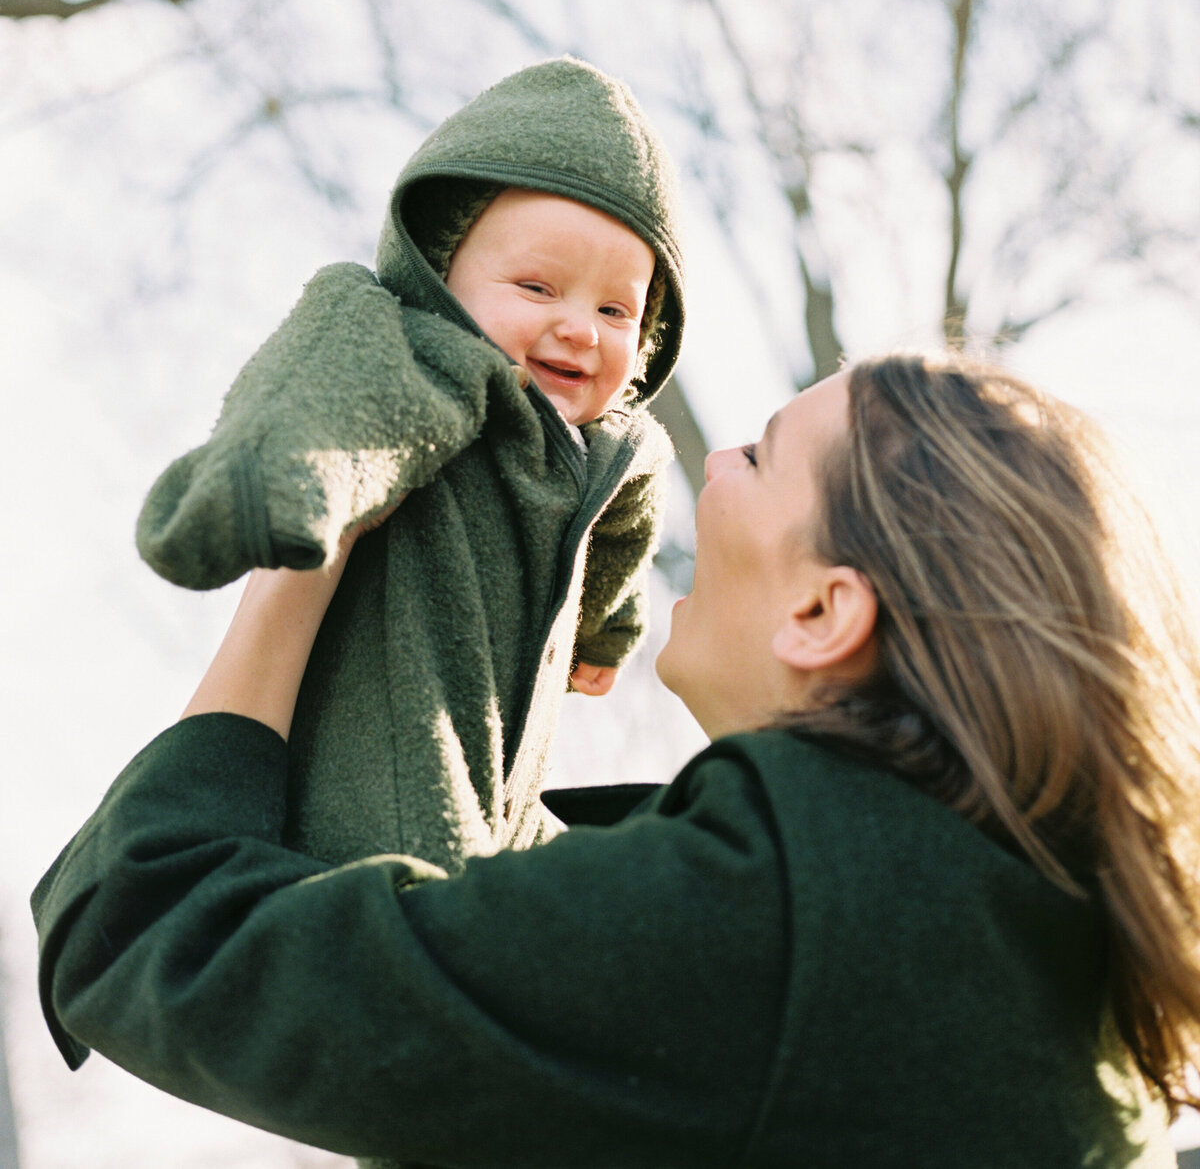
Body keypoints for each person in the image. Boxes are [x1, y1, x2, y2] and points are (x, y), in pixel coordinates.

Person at [33, 354, 1200, 1168]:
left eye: (758, 452)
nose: (712, 466)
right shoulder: (1029, 923)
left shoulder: (785, 916)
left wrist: (303, 558)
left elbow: (145, 933)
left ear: (824, 609)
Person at [133, 54, 686, 874]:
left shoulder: (619, 447)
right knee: (413, 847)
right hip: (382, 724)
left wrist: (605, 631)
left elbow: (626, 521)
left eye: (615, 310)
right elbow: (321, 389)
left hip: (508, 774)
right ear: (440, 270)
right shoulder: (417, 353)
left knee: (523, 861)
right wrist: (271, 489)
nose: (581, 328)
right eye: (538, 288)